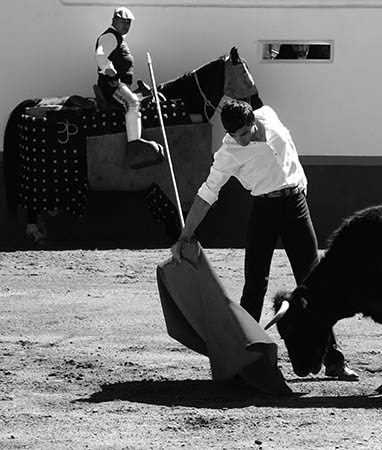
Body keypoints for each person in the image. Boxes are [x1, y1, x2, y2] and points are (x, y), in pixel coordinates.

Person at [170, 99, 358, 381]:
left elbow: (288, 146)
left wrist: (301, 183)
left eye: (245, 133)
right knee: (255, 282)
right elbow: (208, 193)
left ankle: (333, 359)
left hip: (295, 203)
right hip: (264, 209)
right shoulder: (229, 153)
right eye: (235, 136)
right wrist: (185, 234)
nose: (241, 140)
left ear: (252, 122)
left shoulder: (268, 114)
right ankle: (242, 357)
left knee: (315, 284)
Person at [95, 7, 162, 164]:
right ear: (113, 21)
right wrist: (110, 71)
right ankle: (134, 147)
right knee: (133, 102)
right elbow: (100, 55)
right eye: (122, 21)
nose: (125, 25)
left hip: (119, 84)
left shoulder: (117, 37)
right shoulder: (110, 36)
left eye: (128, 23)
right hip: (111, 86)